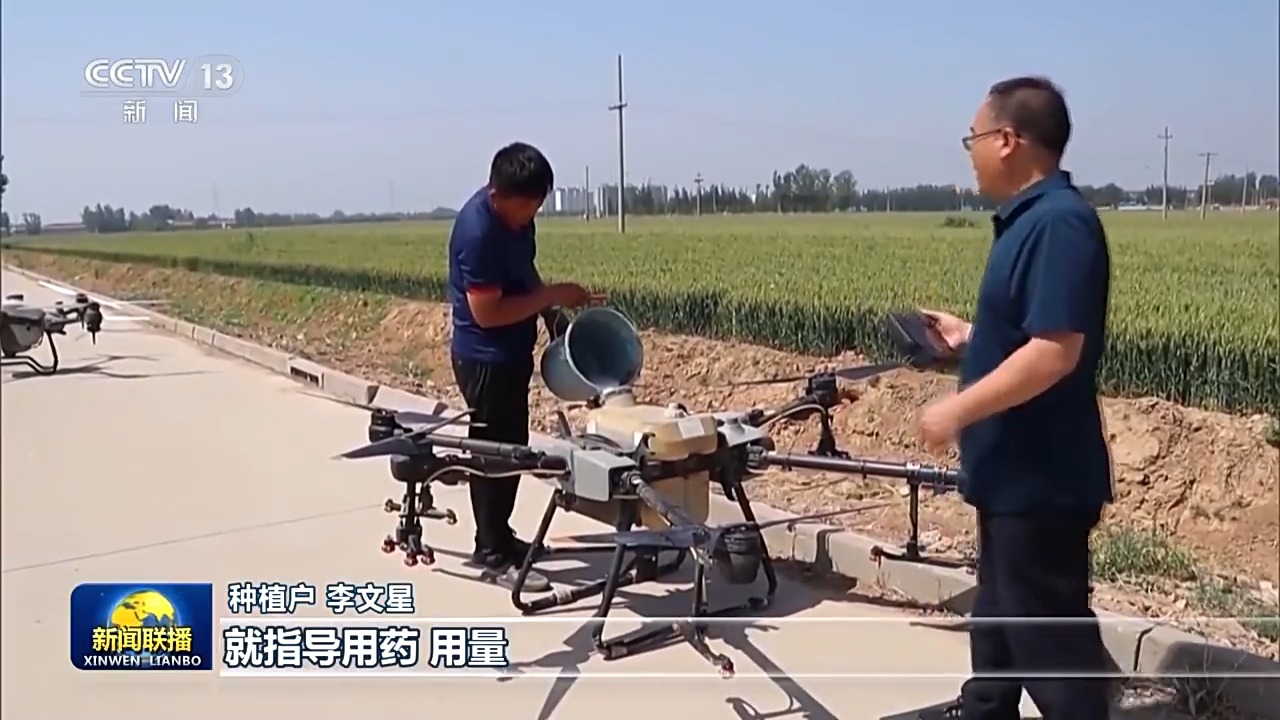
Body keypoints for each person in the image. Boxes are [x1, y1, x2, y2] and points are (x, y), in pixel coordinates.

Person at [914, 77, 1114, 720]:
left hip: (1040, 480)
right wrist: (970, 337)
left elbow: (1055, 351)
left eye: (972, 138)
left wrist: (956, 410)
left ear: (1007, 140)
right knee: (999, 626)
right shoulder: (1030, 222)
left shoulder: (1060, 224)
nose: (969, 153)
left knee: (1052, 649)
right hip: (1011, 477)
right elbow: (1031, 333)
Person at [448, 141, 594, 592]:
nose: (533, 213)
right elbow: (487, 314)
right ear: (497, 194)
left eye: (538, 204)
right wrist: (553, 295)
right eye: (527, 205)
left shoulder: (517, 222)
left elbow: (524, 274)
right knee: (492, 453)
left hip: (512, 355)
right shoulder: (478, 232)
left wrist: (552, 315)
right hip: (484, 359)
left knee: (513, 448)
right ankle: (490, 552)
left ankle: (502, 536)